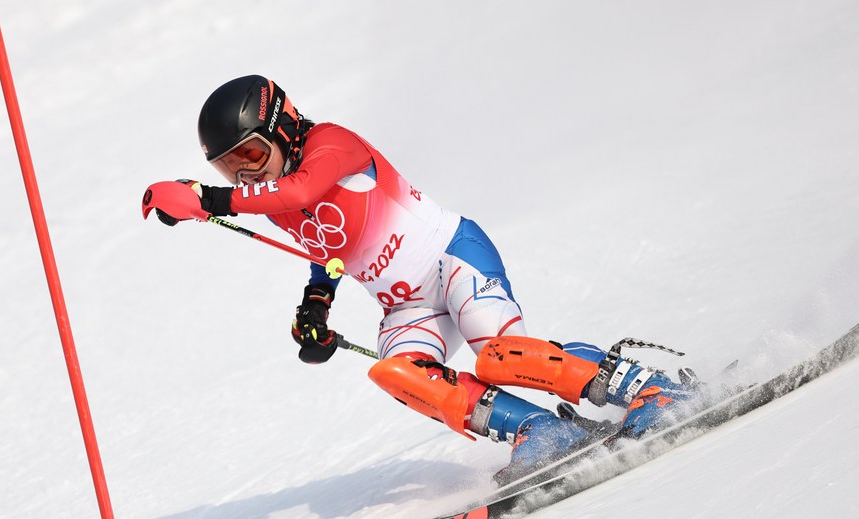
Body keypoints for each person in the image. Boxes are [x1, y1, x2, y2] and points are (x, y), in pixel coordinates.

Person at [141, 74, 696, 481]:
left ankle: (650, 388)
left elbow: (302, 190)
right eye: (229, 166)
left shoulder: (331, 143)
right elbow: (326, 247)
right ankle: (544, 432)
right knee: (400, 373)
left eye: (252, 154)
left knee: (499, 356)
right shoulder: (274, 199)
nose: (245, 174)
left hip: (450, 257)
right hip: (406, 305)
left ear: (282, 127)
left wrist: (207, 199)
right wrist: (316, 305)